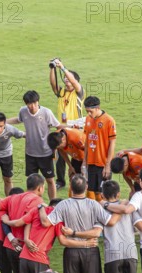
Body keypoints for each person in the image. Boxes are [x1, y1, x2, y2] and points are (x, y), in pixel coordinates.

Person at [39, 174, 117, 273]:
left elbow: (46, 222)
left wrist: (40, 208)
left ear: (71, 188)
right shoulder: (94, 204)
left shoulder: (63, 205)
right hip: (91, 252)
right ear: (86, 187)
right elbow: (109, 222)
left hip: (71, 252)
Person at [2, 198, 64, 273]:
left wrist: (6, 222)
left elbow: (20, 223)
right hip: (39, 259)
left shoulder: (36, 210)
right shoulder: (58, 219)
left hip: (24, 258)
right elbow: (63, 240)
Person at [7, 91, 62, 200]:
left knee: (50, 180)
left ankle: (53, 203)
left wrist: (57, 144)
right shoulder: (23, 111)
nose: (32, 106)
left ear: (38, 102)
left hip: (45, 153)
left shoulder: (46, 112)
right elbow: (18, 119)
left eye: (34, 103)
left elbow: (58, 126)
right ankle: (32, 204)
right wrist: (4, 122)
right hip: (30, 153)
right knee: (32, 182)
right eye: (29, 104)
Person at [49, 58, 85, 190]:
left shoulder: (79, 93)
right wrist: (52, 68)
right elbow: (53, 84)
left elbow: (74, 81)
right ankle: (60, 180)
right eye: (65, 78)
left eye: (68, 79)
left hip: (76, 129)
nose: (66, 80)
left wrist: (63, 67)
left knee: (78, 155)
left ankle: (80, 177)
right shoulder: (62, 92)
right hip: (62, 128)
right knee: (59, 154)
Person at [82, 96, 117, 201]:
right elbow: (87, 141)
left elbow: (112, 143)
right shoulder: (88, 119)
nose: (88, 114)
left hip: (103, 163)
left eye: (90, 111)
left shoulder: (109, 121)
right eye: (87, 111)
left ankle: (105, 214)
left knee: (104, 193)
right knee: (92, 190)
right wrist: (84, 162)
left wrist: (108, 165)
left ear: (98, 108)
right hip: (91, 162)